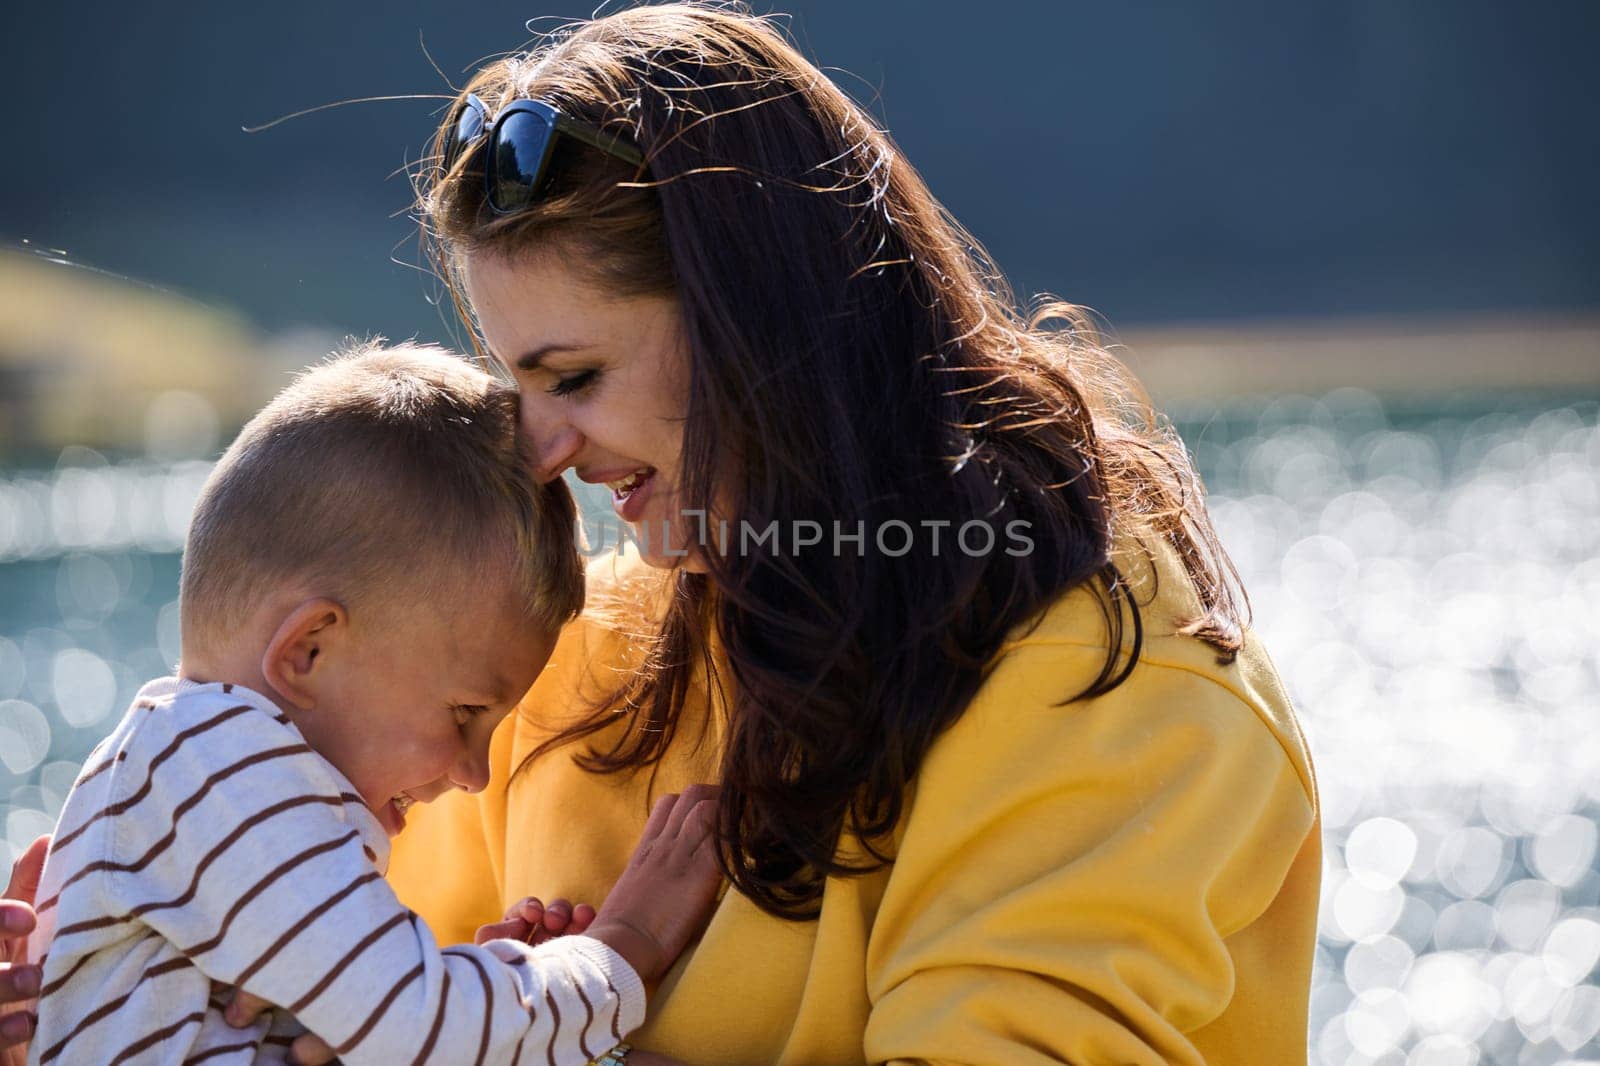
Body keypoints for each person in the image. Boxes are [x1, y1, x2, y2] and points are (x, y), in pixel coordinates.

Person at [4, 4, 1321, 1064]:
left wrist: (592, 977)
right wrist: (113, 998)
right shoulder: (556, 668)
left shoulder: (1115, 681)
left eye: (573, 377)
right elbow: (365, 1004)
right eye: (518, 389)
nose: (542, 451)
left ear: (761, 319)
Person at [15, 343, 722, 1065]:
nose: (474, 775)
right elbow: (417, 1030)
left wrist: (487, 985)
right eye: (463, 715)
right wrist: (624, 948)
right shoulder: (219, 772)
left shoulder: (190, 770)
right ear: (308, 651)